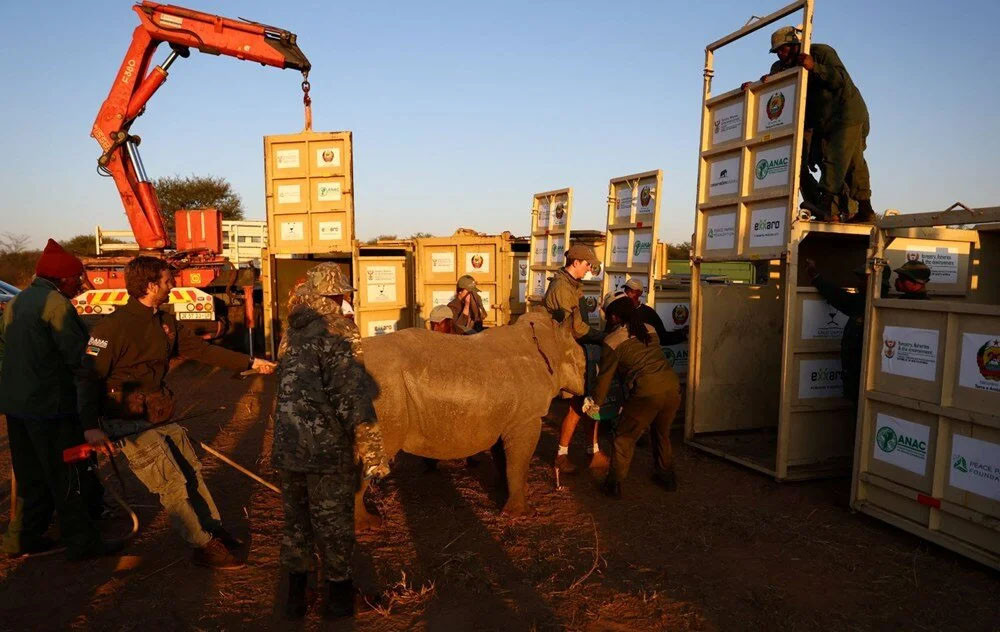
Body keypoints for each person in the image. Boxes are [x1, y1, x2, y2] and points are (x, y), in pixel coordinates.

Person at [77, 255, 276, 570]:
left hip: (157, 414)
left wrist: (250, 363)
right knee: (171, 484)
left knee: (190, 470)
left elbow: (203, 350)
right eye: (168, 281)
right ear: (152, 285)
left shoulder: (165, 321)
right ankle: (202, 545)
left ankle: (211, 530)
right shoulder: (110, 328)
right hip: (126, 421)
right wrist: (90, 427)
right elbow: (88, 379)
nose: (173, 286)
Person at [274, 263, 387, 620]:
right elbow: (352, 397)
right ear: (332, 295)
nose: (344, 301)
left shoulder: (291, 331)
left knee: (296, 525)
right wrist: (373, 454)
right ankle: (339, 600)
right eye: (341, 295)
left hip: (288, 447)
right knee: (334, 526)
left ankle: (294, 600)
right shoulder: (340, 332)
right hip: (325, 451)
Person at [0, 239, 121, 559]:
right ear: (61, 278)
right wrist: (100, 350)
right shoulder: (56, 305)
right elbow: (79, 357)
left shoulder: (16, 302)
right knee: (67, 474)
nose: (80, 284)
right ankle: (82, 542)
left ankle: (21, 539)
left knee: (30, 476)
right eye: (76, 278)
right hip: (51, 408)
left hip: (16, 407)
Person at [744, 26, 874, 224]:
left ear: (795, 44)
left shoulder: (821, 52)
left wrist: (814, 67)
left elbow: (840, 80)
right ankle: (856, 210)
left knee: (839, 158)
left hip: (846, 113)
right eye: (777, 51)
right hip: (818, 122)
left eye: (784, 48)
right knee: (812, 163)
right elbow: (774, 91)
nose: (780, 53)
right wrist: (754, 87)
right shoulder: (780, 67)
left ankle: (832, 205)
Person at [583, 293, 681, 498]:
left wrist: (595, 404)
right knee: (661, 433)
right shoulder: (650, 330)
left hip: (646, 392)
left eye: (608, 315)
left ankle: (614, 484)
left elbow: (605, 378)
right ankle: (667, 477)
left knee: (623, 438)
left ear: (615, 317)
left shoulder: (612, 341)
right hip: (671, 387)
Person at [543, 243, 608, 474]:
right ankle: (563, 455)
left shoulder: (571, 285)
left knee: (586, 402)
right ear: (576, 262)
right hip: (567, 354)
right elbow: (577, 329)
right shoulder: (562, 287)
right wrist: (603, 337)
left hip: (575, 351)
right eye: (587, 265)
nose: (589, 270)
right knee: (582, 402)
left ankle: (591, 451)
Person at [622, 278, 688, 346]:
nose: (626, 294)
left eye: (630, 291)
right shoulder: (620, 311)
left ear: (639, 293)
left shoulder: (648, 313)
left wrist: (682, 333)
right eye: (625, 290)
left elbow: (663, 338)